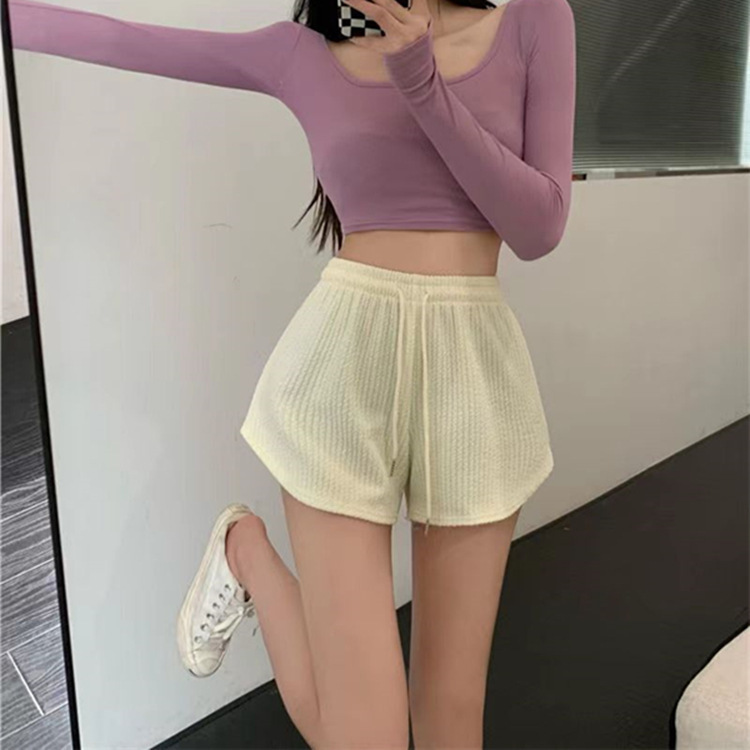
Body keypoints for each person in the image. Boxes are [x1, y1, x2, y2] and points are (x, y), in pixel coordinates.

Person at [8, 0, 576, 745]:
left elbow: (539, 227)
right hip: (341, 376)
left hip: (474, 380)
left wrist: (421, 81)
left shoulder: (536, 20)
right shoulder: (299, 55)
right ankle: (246, 551)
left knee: (450, 723)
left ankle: (244, 549)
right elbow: (120, 38)